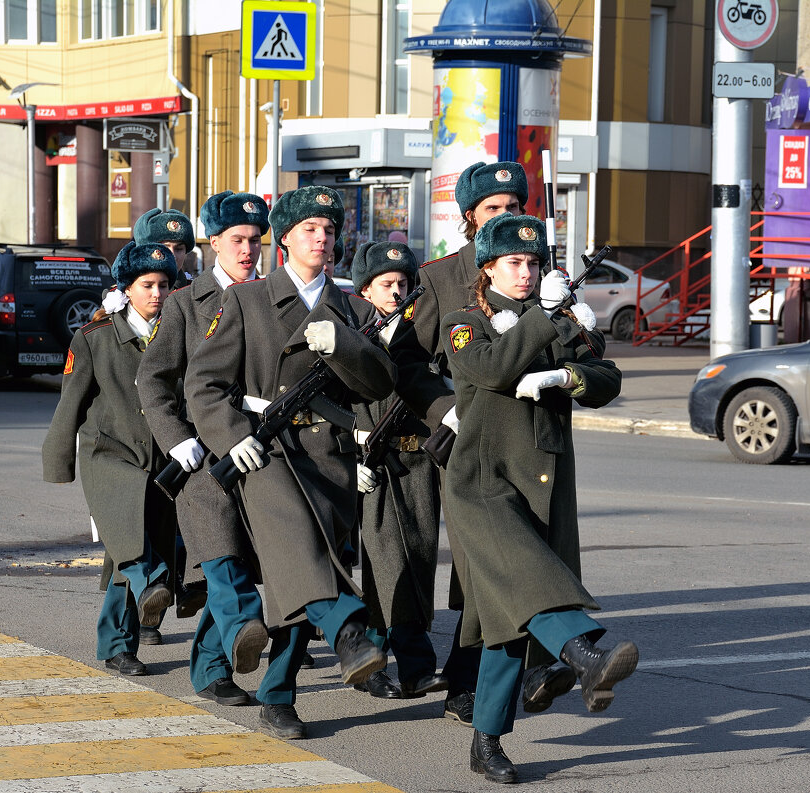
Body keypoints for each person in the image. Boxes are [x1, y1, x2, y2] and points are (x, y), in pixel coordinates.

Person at [184, 186, 397, 740]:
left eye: (329, 230)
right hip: (267, 453)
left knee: (297, 575)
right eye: (309, 229)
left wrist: (344, 347)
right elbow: (204, 385)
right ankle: (351, 632)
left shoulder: (352, 308)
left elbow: (377, 383)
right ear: (285, 239)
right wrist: (232, 437)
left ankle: (278, 696)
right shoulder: (248, 301)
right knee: (301, 548)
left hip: (330, 457)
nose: (321, 239)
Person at [441, 213, 638, 783]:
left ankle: (486, 742)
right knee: (526, 586)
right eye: (514, 263)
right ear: (488, 269)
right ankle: (584, 656)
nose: (526, 273)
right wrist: (545, 319)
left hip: (544, 484)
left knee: (506, 617)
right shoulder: (464, 322)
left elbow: (607, 377)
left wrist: (566, 378)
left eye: (534, 263)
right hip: (483, 484)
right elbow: (493, 368)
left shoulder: (556, 319)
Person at [410, 160, 593, 724]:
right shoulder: (442, 279)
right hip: (466, 439)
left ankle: (540, 668)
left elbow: (585, 357)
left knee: (532, 556)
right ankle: (470, 683)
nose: (508, 216)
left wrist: (576, 340)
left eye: (515, 207)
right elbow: (413, 364)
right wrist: (450, 410)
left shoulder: (537, 273)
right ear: (471, 218)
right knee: (480, 568)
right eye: (494, 209)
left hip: (532, 444)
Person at [137, 195, 271, 707]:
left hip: (257, 449)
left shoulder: (265, 299)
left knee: (248, 560)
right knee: (222, 557)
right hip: (200, 458)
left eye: (254, 241)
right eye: (236, 240)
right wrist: (177, 438)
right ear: (212, 243)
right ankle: (225, 655)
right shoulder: (184, 304)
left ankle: (212, 664)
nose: (246, 250)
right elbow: (152, 380)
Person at [42, 241, 180, 677]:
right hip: (109, 457)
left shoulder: (178, 335)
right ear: (126, 287)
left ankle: (119, 647)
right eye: (147, 285)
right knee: (133, 546)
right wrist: (59, 461)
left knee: (124, 552)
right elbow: (71, 404)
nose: (157, 293)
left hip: (161, 462)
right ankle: (154, 582)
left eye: (163, 285)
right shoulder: (93, 339)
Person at [349, 240, 450, 701]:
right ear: (365, 290)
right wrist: (350, 450)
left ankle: (404, 663)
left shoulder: (418, 336)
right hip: (372, 463)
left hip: (416, 463)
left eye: (403, 284)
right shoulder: (352, 337)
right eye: (386, 285)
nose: (396, 292)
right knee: (385, 562)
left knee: (418, 561)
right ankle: (387, 662)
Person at [128, 208, 203, 644]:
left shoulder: (193, 300)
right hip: (141, 436)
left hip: (186, 429)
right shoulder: (125, 303)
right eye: (162, 249)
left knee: (185, 527)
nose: (170, 258)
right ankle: (142, 618)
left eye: (179, 250)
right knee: (140, 529)